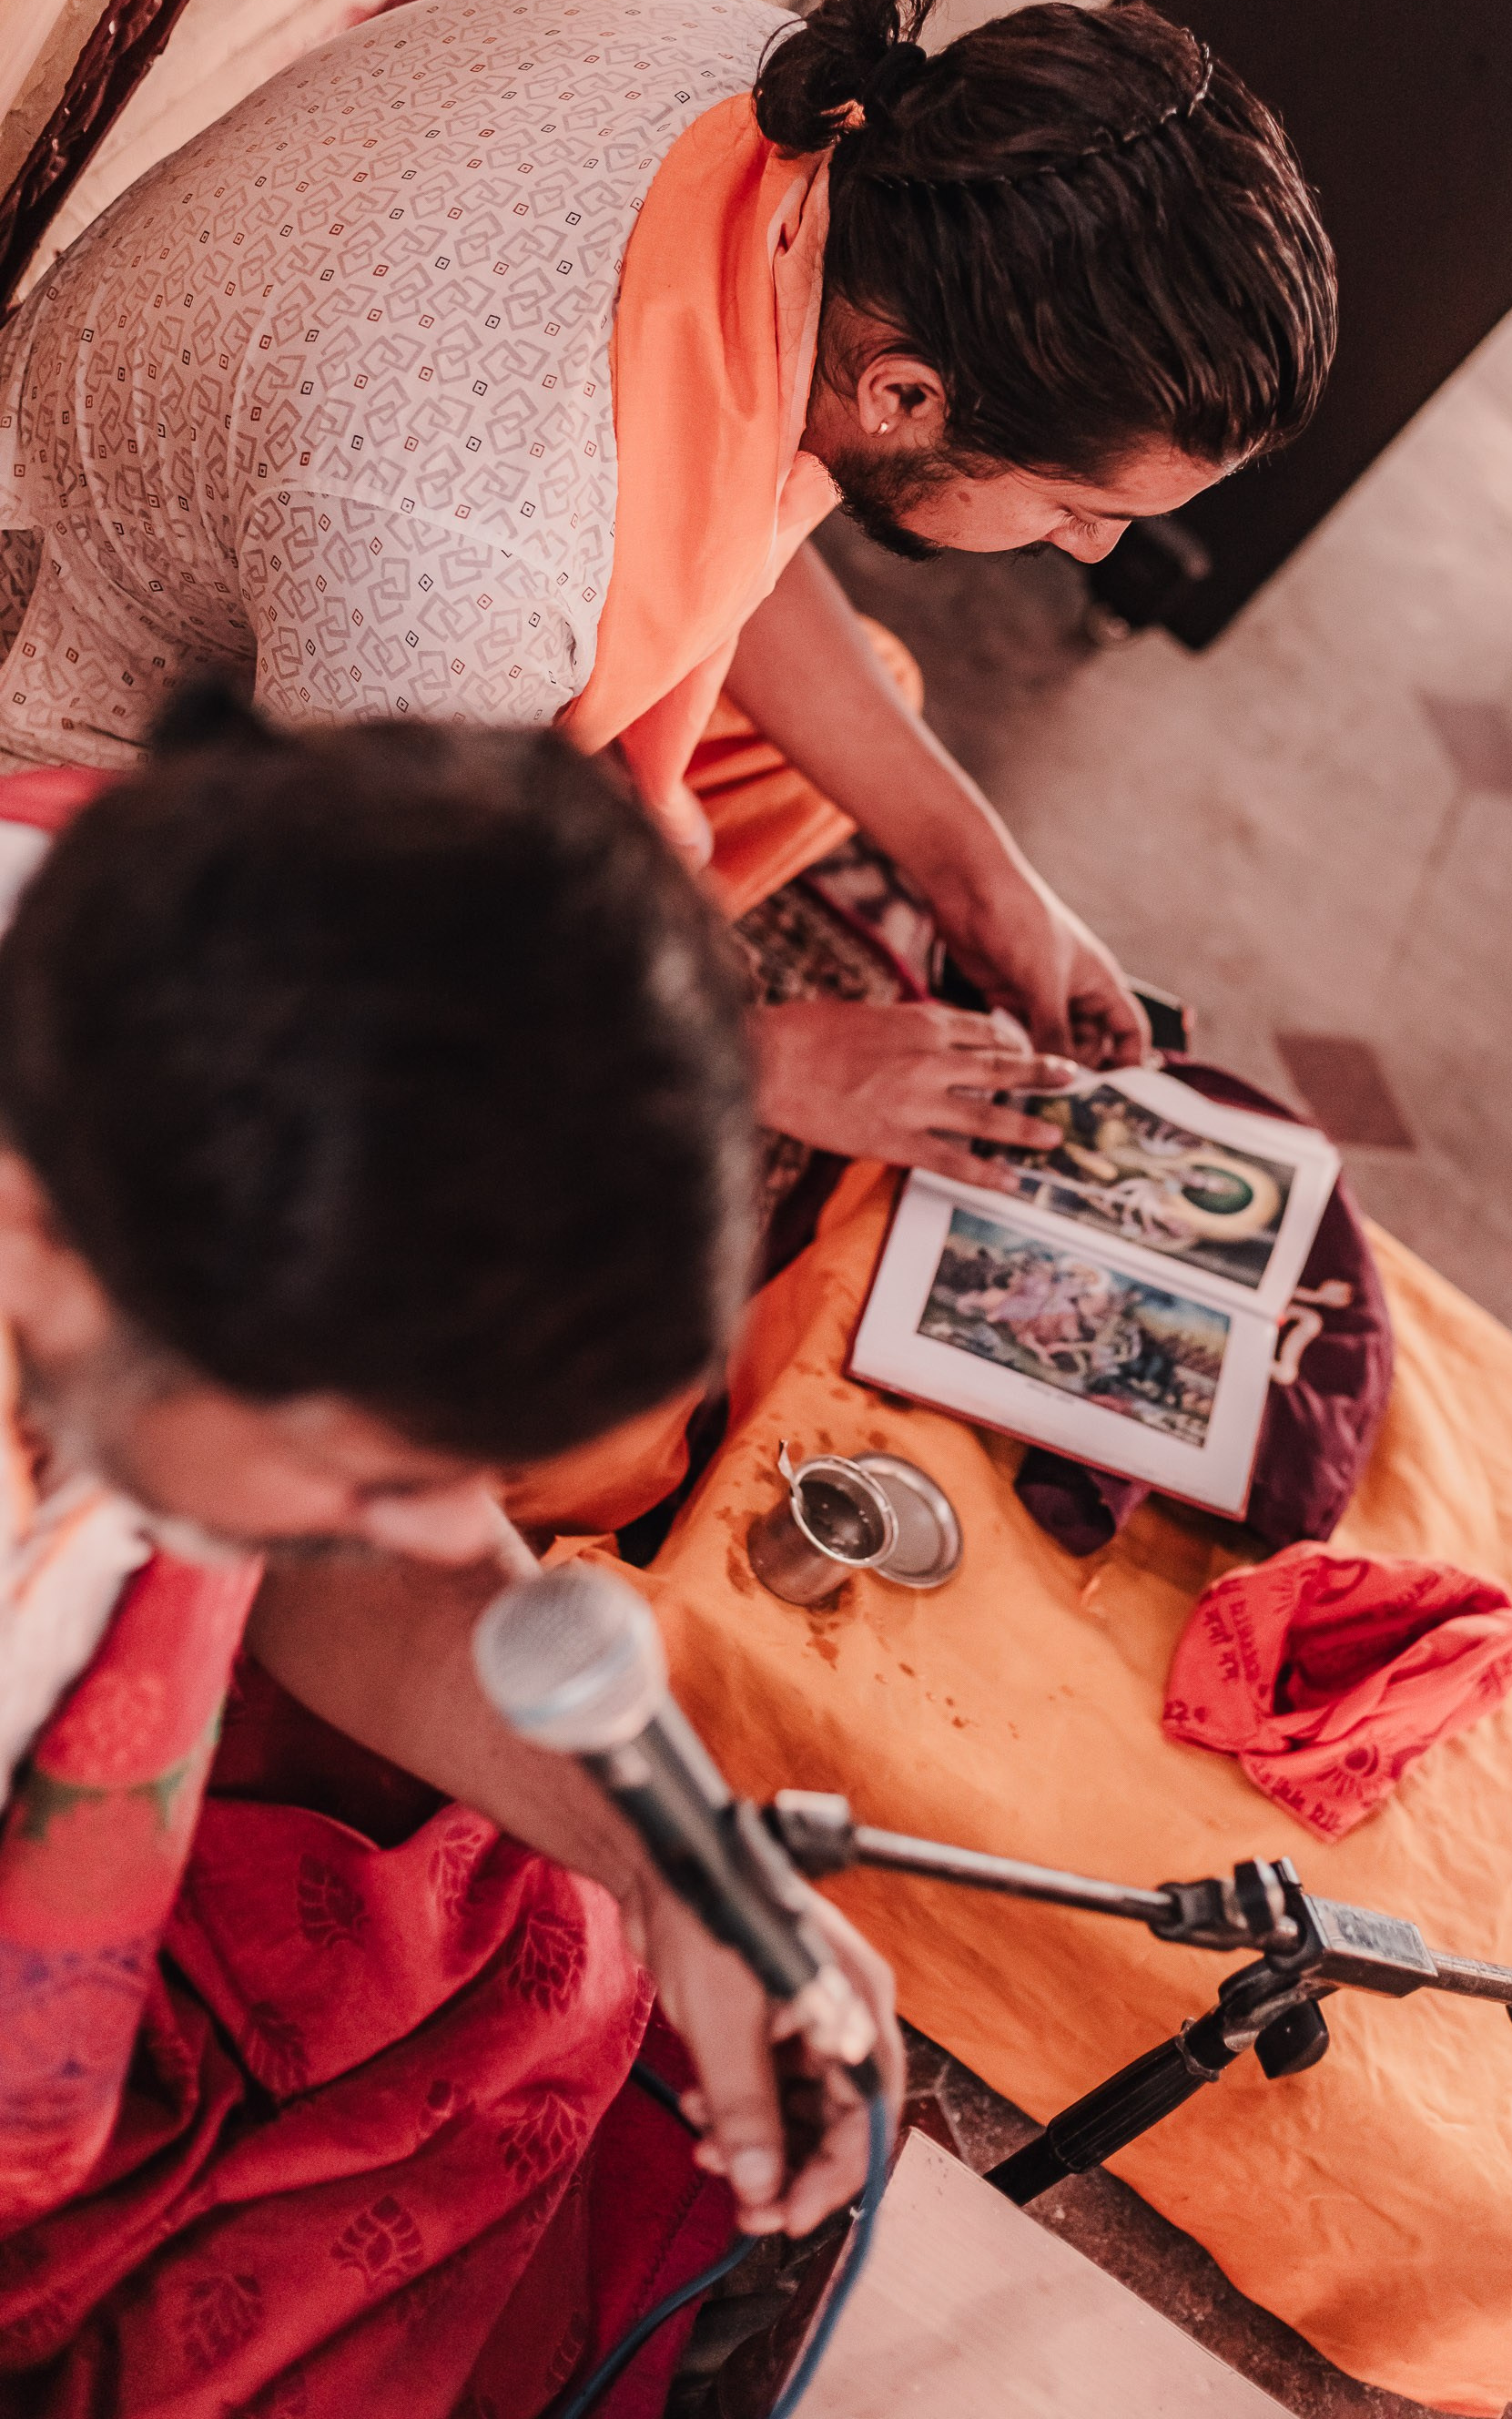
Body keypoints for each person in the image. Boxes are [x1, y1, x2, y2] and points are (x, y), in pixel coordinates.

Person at [0, 0, 1335, 1191]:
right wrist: (761, 1064)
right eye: (1075, 507)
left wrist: (972, 868)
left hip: (369, 630)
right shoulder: (478, 552)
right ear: (906, 393)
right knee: (531, 1317)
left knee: (872, 706)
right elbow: (352, 944)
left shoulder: (809, 122)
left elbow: (716, 519)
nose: (1092, 553)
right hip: (108, 778)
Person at [0, 691, 900, 2417]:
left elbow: (363, 1572)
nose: (456, 1539)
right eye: (383, 1469)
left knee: (554, 1942)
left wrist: (682, 1864)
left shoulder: (141, 980)